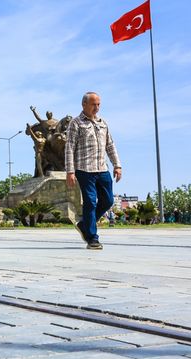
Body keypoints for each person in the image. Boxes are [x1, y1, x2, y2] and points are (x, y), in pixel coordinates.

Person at [65, 92, 122, 250]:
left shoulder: (103, 123)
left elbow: (110, 145)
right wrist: (70, 171)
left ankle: (85, 225)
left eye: (98, 104)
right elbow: (69, 148)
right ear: (84, 104)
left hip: (103, 169)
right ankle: (92, 238)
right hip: (84, 169)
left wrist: (117, 165)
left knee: (108, 200)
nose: (96, 107)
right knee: (90, 202)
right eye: (93, 104)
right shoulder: (76, 123)